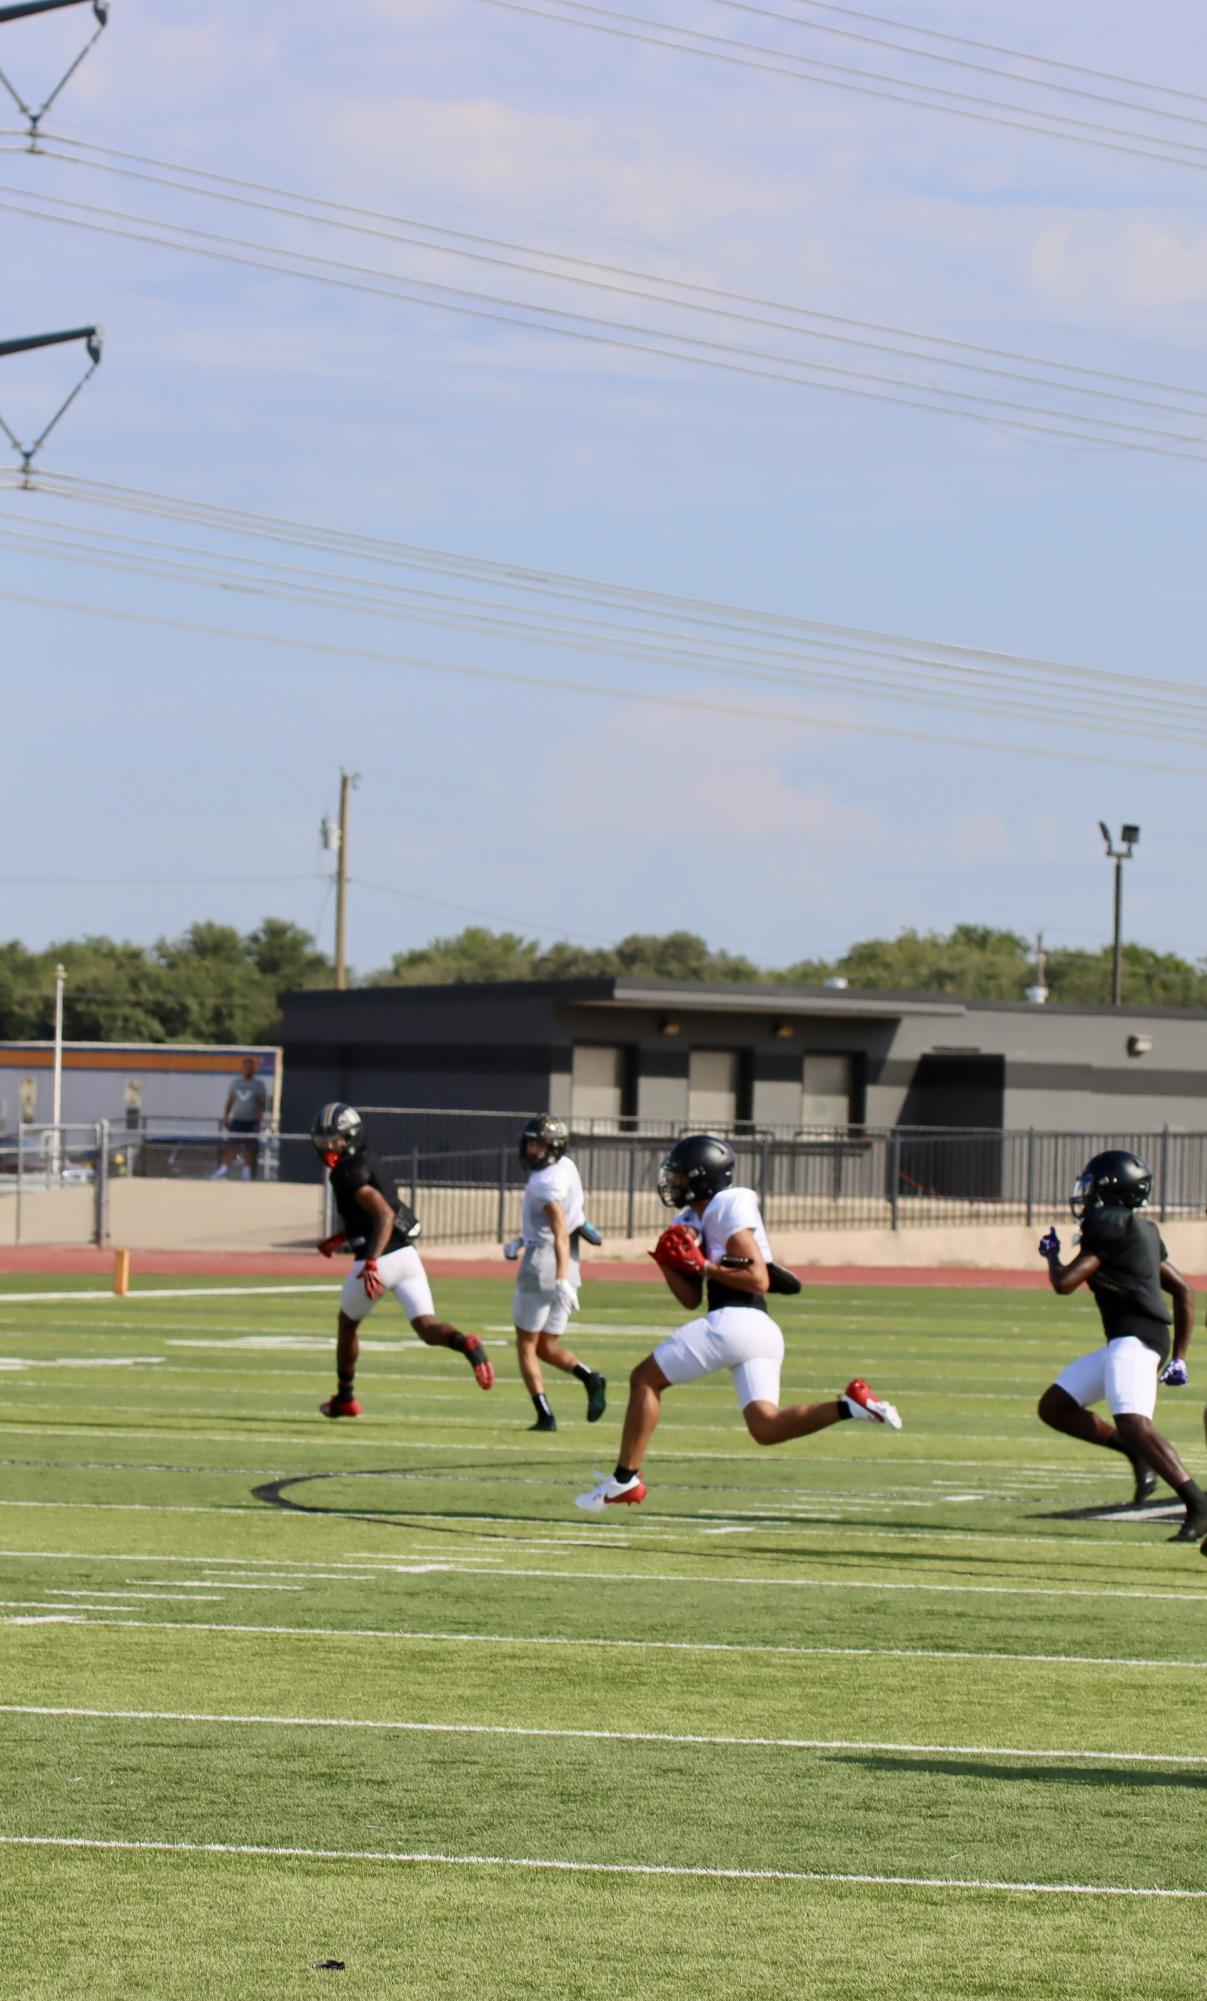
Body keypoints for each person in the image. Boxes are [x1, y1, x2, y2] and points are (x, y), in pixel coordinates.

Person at [576, 1133, 901, 1513]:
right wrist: (668, 1263)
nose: (674, 1183)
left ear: (703, 1178)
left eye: (681, 1176)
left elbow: (758, 1278)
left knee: (644, 1379)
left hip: (735, 1320)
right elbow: (691, 1298)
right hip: (759, 1330)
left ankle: (624, 1478)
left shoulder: (729, 1203)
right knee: (766, 1427)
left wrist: (704, 1265)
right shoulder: (690, 1218)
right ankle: (850, 1406)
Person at [1036, 1147, 1207, 1543]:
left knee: (1134, 1423)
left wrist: (1052, 1257)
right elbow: (1184, 1290)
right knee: (1055, 1407)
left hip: (1134, 1340)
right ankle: (1134, 1453)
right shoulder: (1143, 1230)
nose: (1087, 1195)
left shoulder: (1107, 1225)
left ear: (1111, 1190)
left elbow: (1064, 1284)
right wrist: (1179, 1356)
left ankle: (1197, 1502)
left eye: (1093, 1187)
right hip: (1136, 1341)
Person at [311, 1101, 494, 1418]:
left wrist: (370, 1261)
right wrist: (340, 1239)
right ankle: (465, 1343)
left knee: (347, 1326)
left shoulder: (345, 1172)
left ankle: (345, 1397)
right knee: (426, 1327)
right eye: (324, 1139)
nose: (329, 1146)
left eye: (335, 1139)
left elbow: (383, 1213)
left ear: (350, 1137)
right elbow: (370, 1215)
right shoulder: (370, 1161)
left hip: (378, 1259)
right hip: (407, 1256)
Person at [509, 1113, 606, 1432]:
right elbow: (572, 1221)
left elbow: (559, 1232)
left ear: (553, 1147)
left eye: (539, 1145)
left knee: (525, 1345)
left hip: (545, 1263)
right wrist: (522, 1238)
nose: (532, 1150)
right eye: (531, 1143)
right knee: (545, 1346)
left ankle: (544, 1415)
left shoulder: (544, 1184)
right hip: (570, 1260)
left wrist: (561, 1279)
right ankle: (589, 1377)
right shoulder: (567, 1168)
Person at [211, 1055, 267, 1180]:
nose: (248, 1070)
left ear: (254, 1069)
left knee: (249, 1147)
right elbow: (230, 1101)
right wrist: (226, 1115)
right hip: (237, 1120)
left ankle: (246, 1172)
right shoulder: (236, 1083)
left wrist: (260, 1113)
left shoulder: (258, 1084)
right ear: (242, 1068)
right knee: (233, 1146)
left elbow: (263, 1102)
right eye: (246, 1067)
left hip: (251, 1121)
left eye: (250, 1068)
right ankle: (223, 1170)